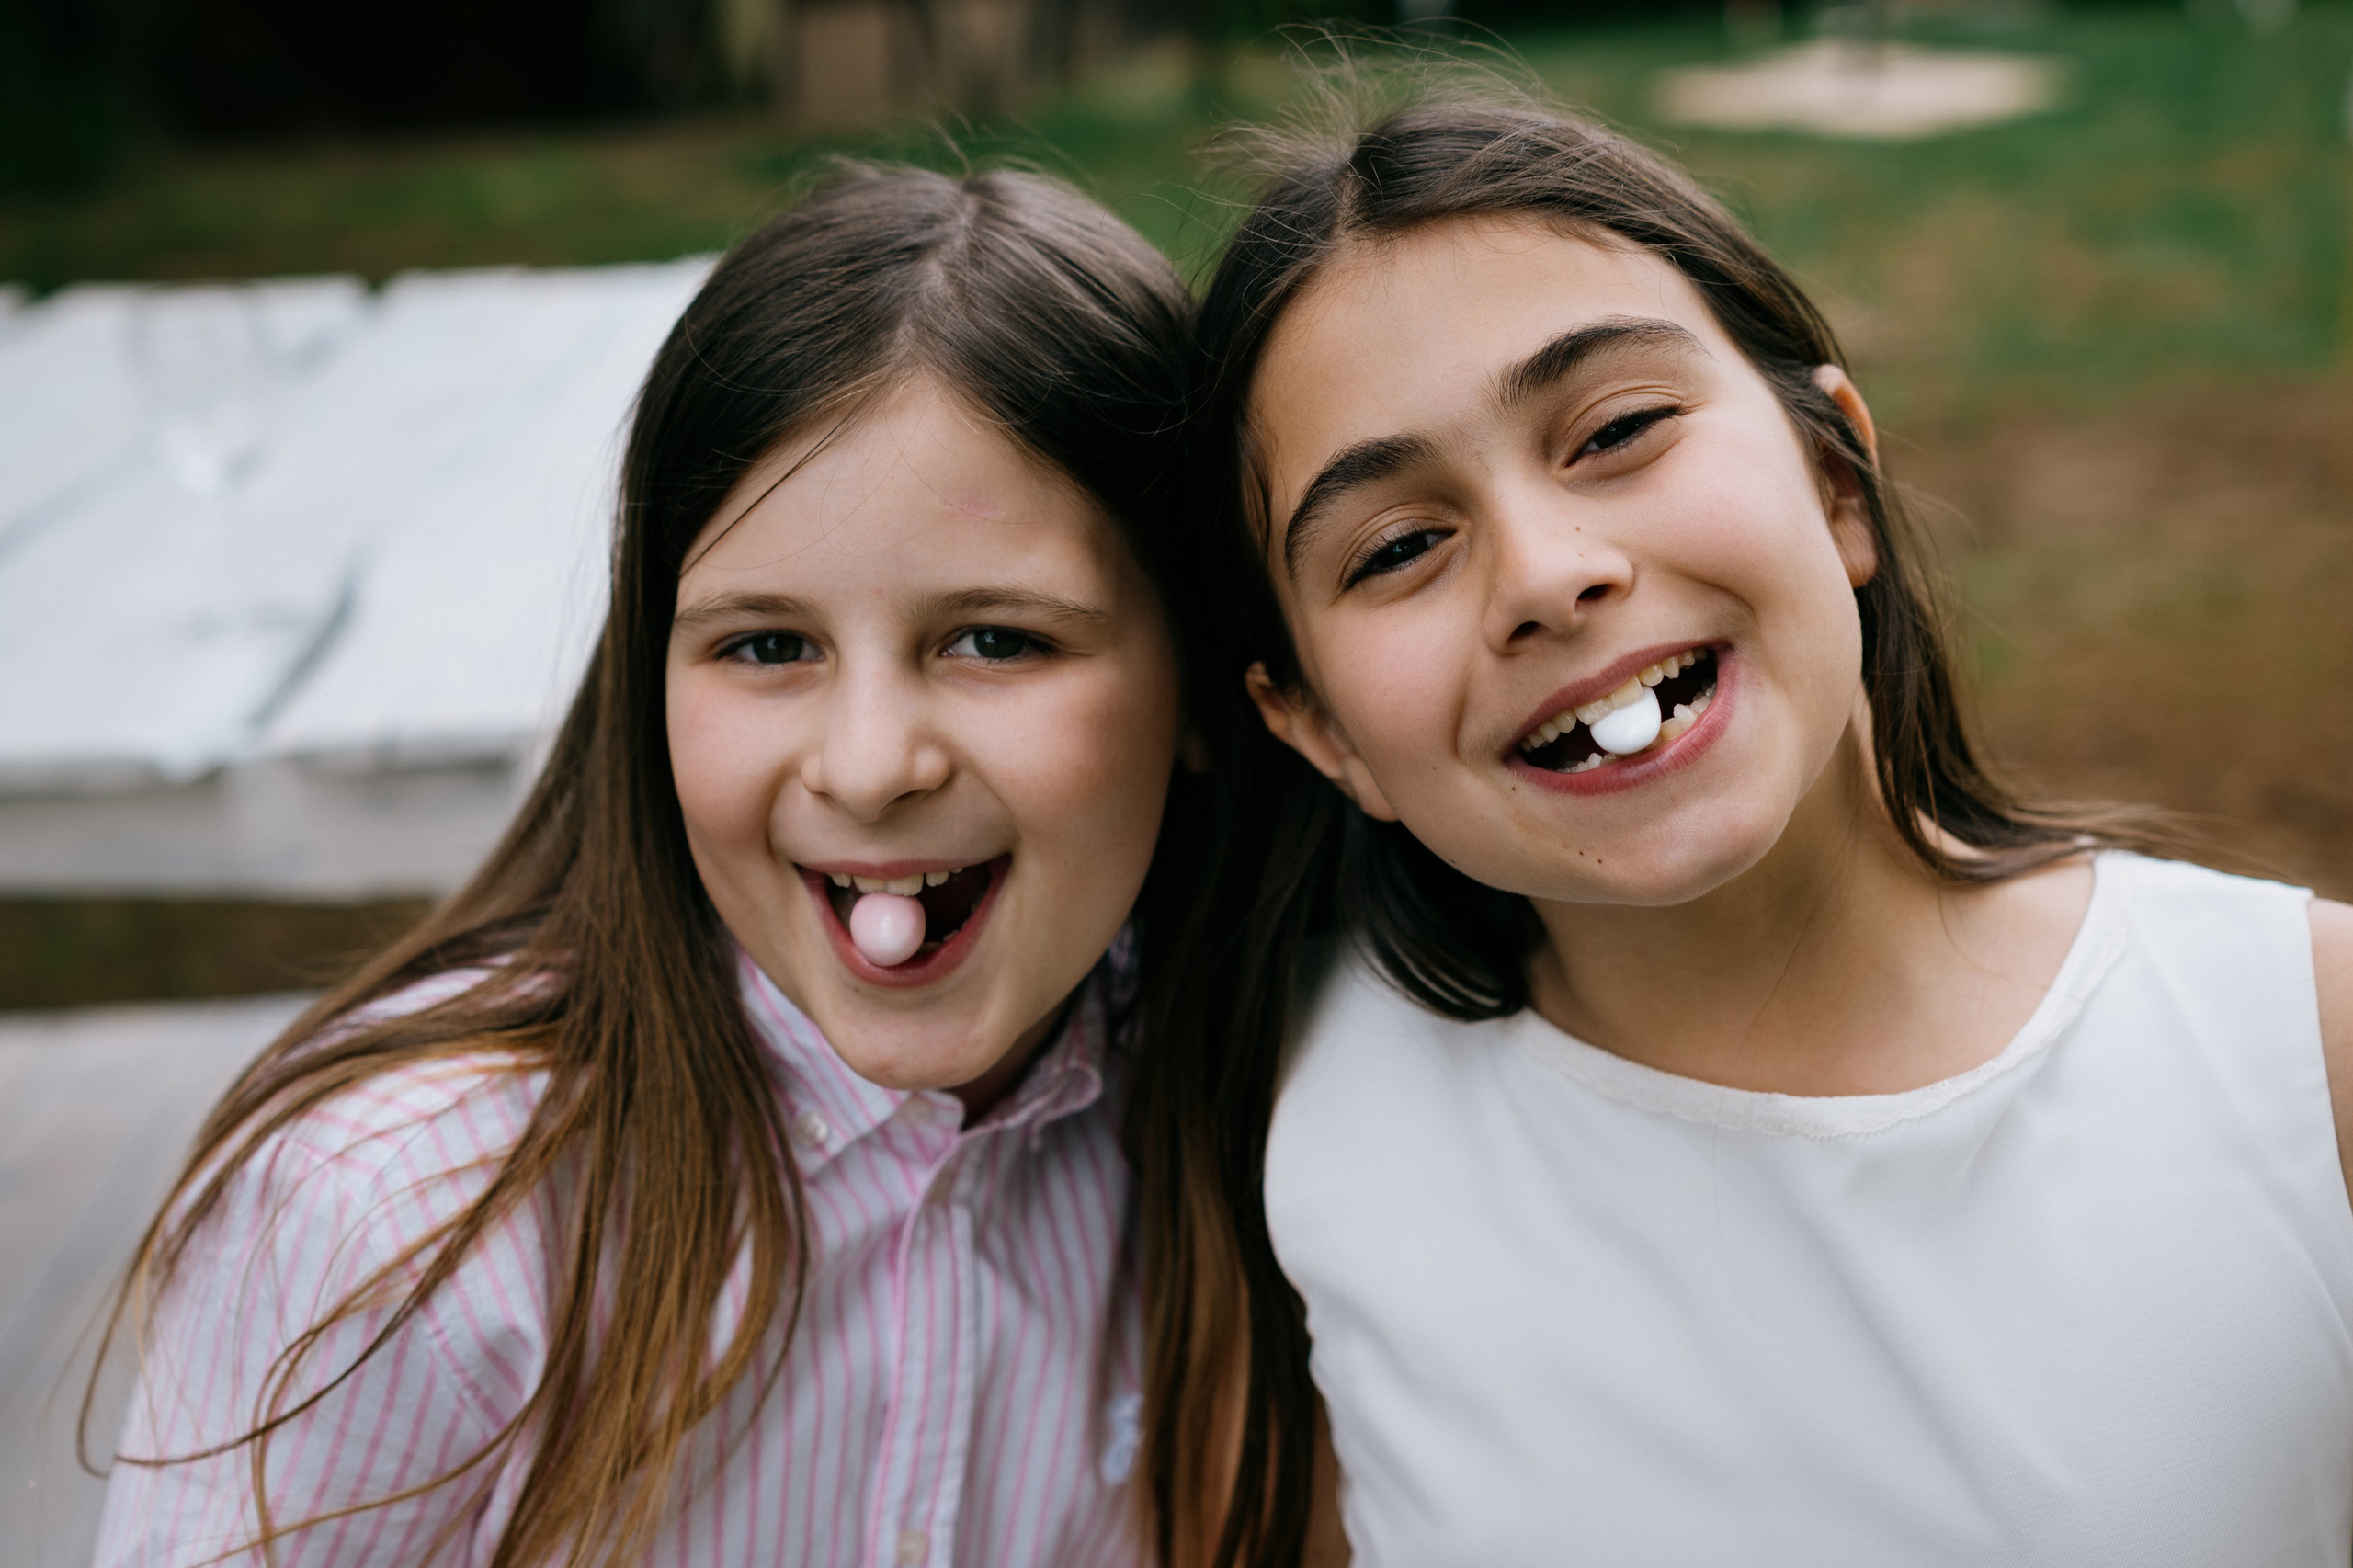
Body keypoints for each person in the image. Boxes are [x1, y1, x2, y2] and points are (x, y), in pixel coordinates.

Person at [1148, 93, 2353, 1566]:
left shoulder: (2306, 1051)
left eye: (1618, 430)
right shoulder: (1293, 1101)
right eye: (1398, 546)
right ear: (1324, 731)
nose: (1544, 571)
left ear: (1836, 479)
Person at [90, 162, 1216, 1568]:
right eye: (766, 645)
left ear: (1208, 690)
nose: (869, 765)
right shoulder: (399, 1225)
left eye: (996, 639)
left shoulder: (1241, 1101)